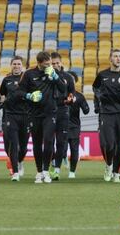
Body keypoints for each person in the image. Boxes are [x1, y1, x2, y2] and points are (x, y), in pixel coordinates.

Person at [17, 51, 66, 183]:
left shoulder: (53, 72)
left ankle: (46, 171)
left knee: (49, 141)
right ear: (39, 63)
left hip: (50, 113)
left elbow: (64, 89)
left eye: (50, 63)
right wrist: (29, 96)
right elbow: (19, 92)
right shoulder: (29, 74)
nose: (49, 66)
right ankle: (39, 172)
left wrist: (55, 77)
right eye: (46, 64)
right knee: (37, 144)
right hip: (34, 114)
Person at [93, 49, 120, 183]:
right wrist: (100, 98)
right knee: (109, 144)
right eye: (115, 56)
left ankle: (116, 173)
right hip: (107, 113)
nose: (118, 59)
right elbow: (95, 88)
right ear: (110, 59)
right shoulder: (102, 74)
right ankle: (109, 165)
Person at [0, 56, 30, 181]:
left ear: (22, 66)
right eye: (14, 64)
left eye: (18, 64)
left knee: (24, 147)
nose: (16, 66)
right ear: (11, 65)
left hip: (26, 116)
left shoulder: (27, 79)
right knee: (11, 145)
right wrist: (1, 102)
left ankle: (20, 162)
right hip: (10, 115)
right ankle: (15, 172)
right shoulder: (6, 80)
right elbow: (2, 95)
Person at [49, 52, 75, 180]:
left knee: (60, 142)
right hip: (48, 111)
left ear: (61, 63)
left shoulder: (68, 77)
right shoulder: (46, 76)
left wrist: (70, 98)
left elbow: (72, 93)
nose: (55, 65)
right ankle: (50, 163)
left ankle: (57, 169)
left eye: (57, 63)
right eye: (52, 63)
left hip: (63, 110)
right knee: (48, 141)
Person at [66, 71, 89, 178]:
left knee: (74, 149)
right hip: (61, 125)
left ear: (75, 82)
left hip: (74, 126)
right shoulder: (59, 94)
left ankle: (72, 172)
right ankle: (56, 166)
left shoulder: (79, 96)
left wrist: (85, 107)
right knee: (61, 149)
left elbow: (86, 110)